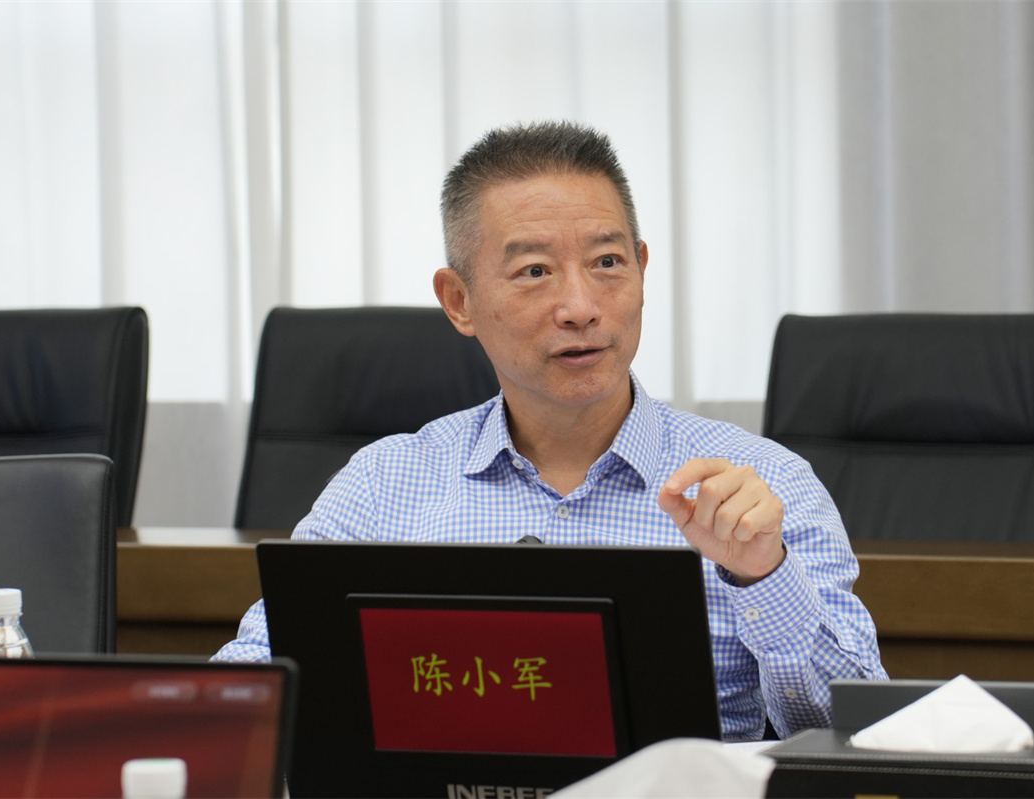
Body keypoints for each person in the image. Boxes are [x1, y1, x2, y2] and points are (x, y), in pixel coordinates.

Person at [213, 121, 887, 740]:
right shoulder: (383, 486)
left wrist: (764, 573)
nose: (581, 307)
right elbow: (251, 690)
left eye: (607, 262)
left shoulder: (762, 485)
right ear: (459, 301)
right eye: (535, 271)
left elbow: (853, 732)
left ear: (642, 270)